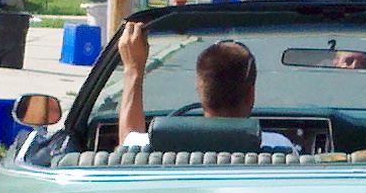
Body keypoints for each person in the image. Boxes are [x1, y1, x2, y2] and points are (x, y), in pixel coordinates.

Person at [114, 21, 297, 152]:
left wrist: (133, 70)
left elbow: (129, 146)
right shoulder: (278, 148)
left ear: (200, 92)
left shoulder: (156, 145)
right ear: (250, 95)